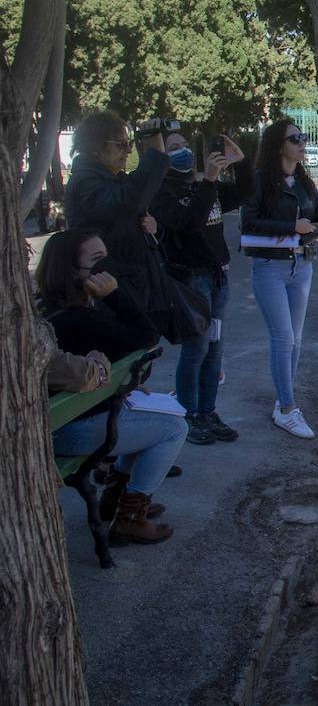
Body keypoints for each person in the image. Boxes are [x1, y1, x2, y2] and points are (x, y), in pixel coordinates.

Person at [38, 230, 186, 544]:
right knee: (174, 428)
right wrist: (114, 295)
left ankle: (118, 501)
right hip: (72, 432)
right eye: (97, 260)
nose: (108, 267)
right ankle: (131, 517)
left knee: (145, 420)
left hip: (65, 424)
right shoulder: (77, 320)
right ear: (71, 271)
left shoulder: (45, 308)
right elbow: (146, 336)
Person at [150, 130, 250, 445]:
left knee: (215, 348)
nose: (183, 152)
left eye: (184, 146)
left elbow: (245, 191)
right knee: (197, 350)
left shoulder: (202, 184)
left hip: (217, 277)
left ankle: (207, 411)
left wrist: (241, 162)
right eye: (174, 148)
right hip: (190, 282)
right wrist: (208, 180)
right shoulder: (161, 191)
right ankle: (187, 414)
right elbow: (189, 220)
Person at [241, 118, 318, 440]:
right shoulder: (261, 181)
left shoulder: (305, 183)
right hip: (269, 267)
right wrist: (292, 228)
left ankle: (283, 403)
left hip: (301, 267)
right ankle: (289, 408)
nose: (302, 143)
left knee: (296, 339)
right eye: (295, 138)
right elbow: (248, 224)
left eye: (303, 137)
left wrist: (308, 232)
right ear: (279, 144)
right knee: (284, 338)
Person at [64, 111, 172, 328]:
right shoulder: (86, 182)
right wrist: (155, 152)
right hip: (111, 295)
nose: (129, 150)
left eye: (129, 143)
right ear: (96, 146)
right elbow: (129, 201)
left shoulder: (109, 179)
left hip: (129, 290)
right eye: (121, 145)